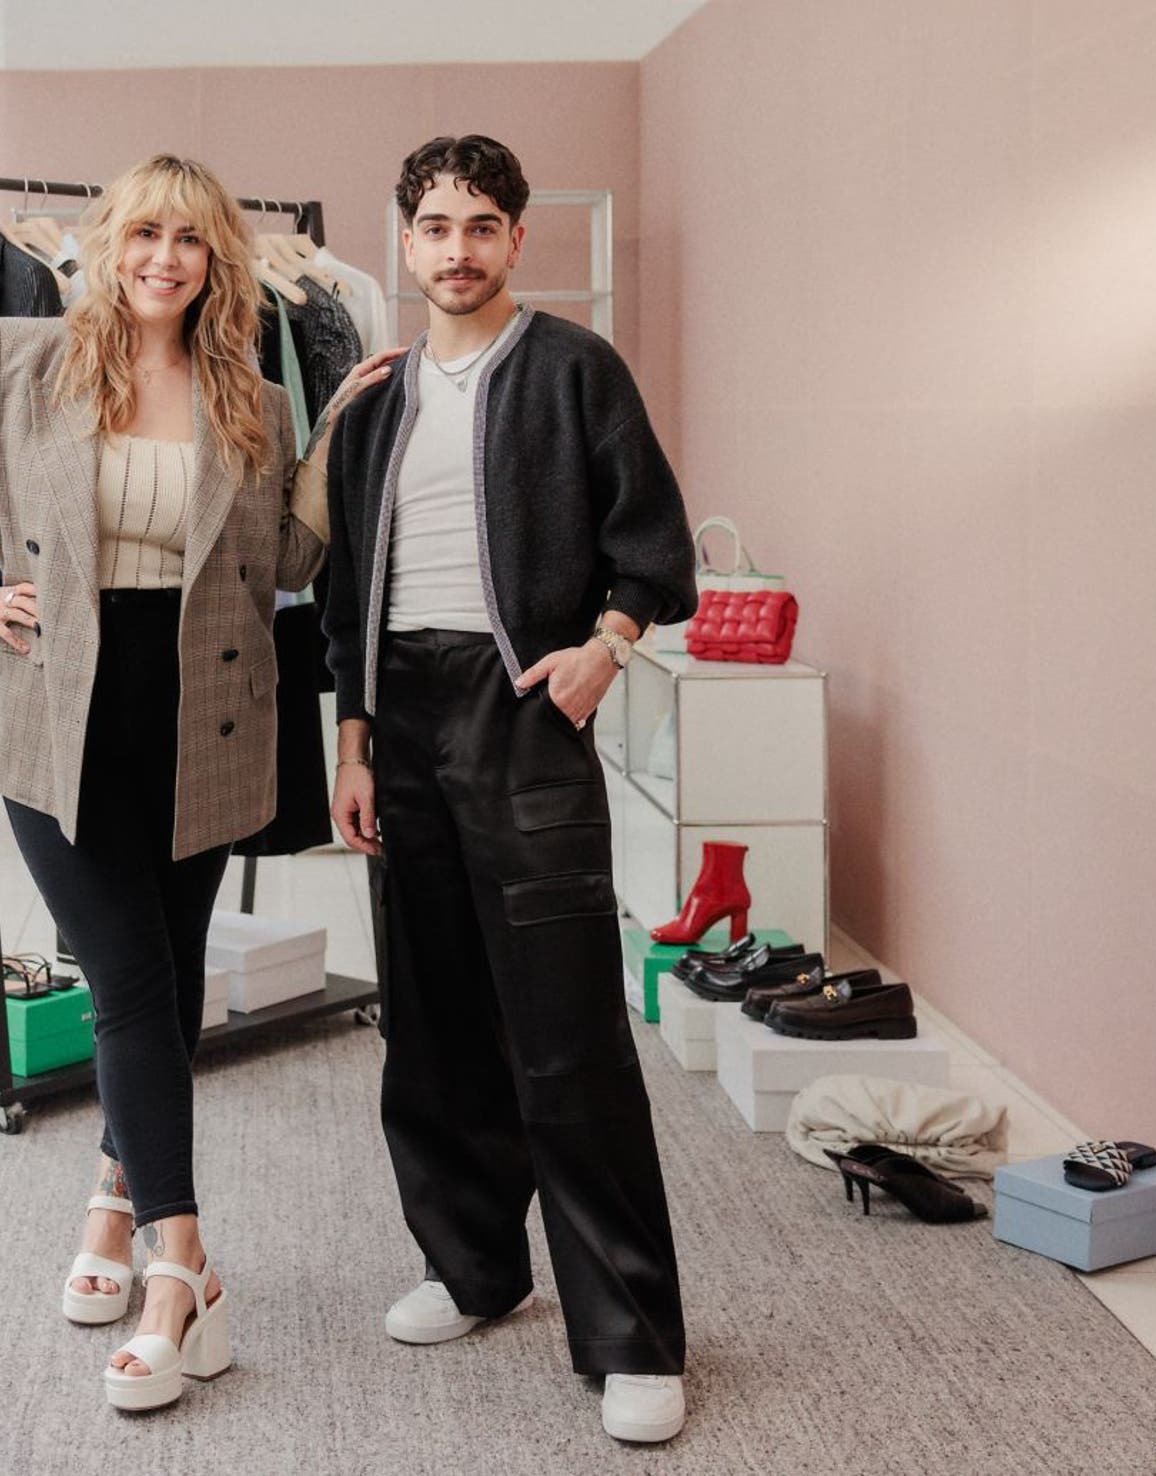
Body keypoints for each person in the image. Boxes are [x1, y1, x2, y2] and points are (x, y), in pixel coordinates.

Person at [0, 153, 394, 1412]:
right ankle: (182, 1268)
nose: (164, 257)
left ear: (219, 262)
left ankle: (110, 1204)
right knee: (131, 985)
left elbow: (289, 560)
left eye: (190, 241)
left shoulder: (252, 392)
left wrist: (337, 439)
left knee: (161, 980)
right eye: (144, 233)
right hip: (56, 713)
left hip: (206, 715)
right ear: (107, 245)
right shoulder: (17, 353)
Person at [319, 135, 697, 1444]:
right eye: (435, 225)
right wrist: (355, 743)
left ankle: (633, 1335)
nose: (458, 248)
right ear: (405, 240)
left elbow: (654, 548)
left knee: (566, 1031)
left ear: (518, 240)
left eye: (483, 224)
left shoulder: (577, 370)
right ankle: (472, 1267)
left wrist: (606, 649)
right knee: (428, 1022)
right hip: (401, 721)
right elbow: (338, 590)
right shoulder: (371, 398)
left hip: (523, 704)